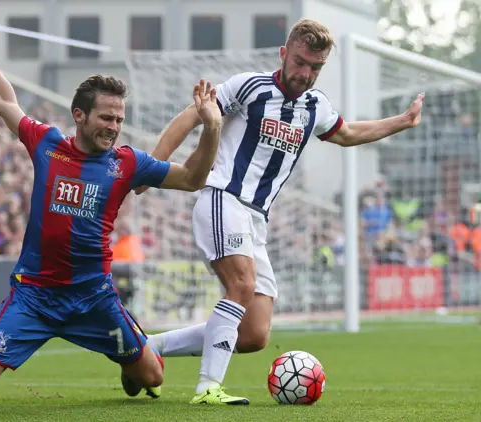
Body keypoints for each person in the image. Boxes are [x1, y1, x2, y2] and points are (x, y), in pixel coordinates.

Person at [137, 18, 425, 405]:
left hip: (257, 218)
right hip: (224, 197)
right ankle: (208, 388)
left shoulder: (314, 106)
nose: (306, 74)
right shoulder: (250, 87)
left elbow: (348, 133)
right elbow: (190, 116)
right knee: (240, 286)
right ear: (284, 54)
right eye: (301, 62)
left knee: (254, 334)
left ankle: (148, 347)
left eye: (316, 67)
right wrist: (151, 168)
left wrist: (402, 122)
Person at [0, 0, 223, 400]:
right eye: (105, 118)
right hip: (35, 294)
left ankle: (127, 363)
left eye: (118, 119)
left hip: (93, 297)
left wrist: (211, 130)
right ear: (79, 115)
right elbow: (3, 101)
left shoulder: (127, 162)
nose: (114, 127)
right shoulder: (47, 145)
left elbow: (191, 179)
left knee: (153, 377)